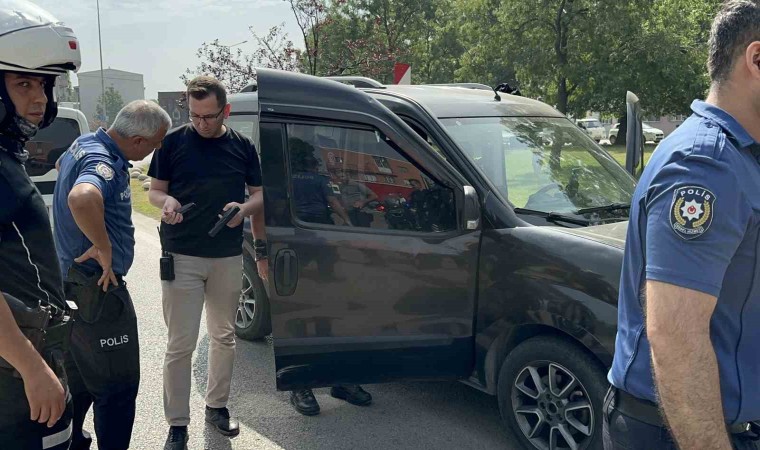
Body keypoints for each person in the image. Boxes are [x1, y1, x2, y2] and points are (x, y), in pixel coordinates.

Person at [606, 2, 760, 449]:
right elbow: (676, 339)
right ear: (756, 59)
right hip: (687, 433)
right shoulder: (704, 167)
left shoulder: (740, 157)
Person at [147, 76, 263, 450]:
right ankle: (177, 424)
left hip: (227, 256)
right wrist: (166, 202)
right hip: (181, 254)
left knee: (223, 336)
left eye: (209, 116)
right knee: (180, 344)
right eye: (194, 115)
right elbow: (155, 191)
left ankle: (217, 407)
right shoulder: (172, 142)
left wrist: (243, 209)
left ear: (225, 111)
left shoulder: (242, 146)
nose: (201, 123)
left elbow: (260, 196)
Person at [54, 100, 171, 450]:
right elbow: (82, 197)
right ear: (137, 140)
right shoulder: (102, 161)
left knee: (79, 380)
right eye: (155, 142)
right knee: (118, 389)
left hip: (72, 284)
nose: (157, 148)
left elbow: (61, 165)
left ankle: (72, 441)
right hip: (98, 290)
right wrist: (103, 246)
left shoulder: (84, 143)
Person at [0, 2, 80, 449]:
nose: (41, 98)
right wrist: (32, 368)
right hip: (14, 375)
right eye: (23, 83)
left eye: (45, 84)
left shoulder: (7, 157)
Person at [287, 139, 373, 416]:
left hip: (301, 240)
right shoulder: (317, 179)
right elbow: (334, 203)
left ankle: (338, 380)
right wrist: (348, 224)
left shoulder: (286, 177)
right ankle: (300, 383)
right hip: (314, 238)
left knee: (325, 309)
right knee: (306, 310)